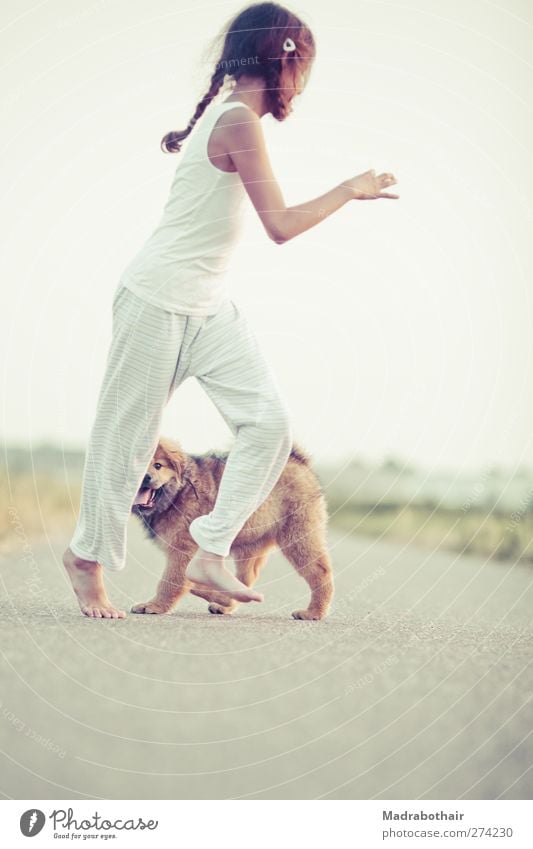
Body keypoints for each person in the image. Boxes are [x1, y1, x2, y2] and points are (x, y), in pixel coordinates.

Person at [63, 1, 399, 619]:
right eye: (304, 66)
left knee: (268, 424)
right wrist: (351, 189)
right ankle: (86, 559)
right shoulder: (237, 121)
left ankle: (210, 549)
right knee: (127, 439)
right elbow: (281, 225)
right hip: (157, 299)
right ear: (280, 60)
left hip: (210, 307)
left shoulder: (240, 120)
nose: (304, 84)